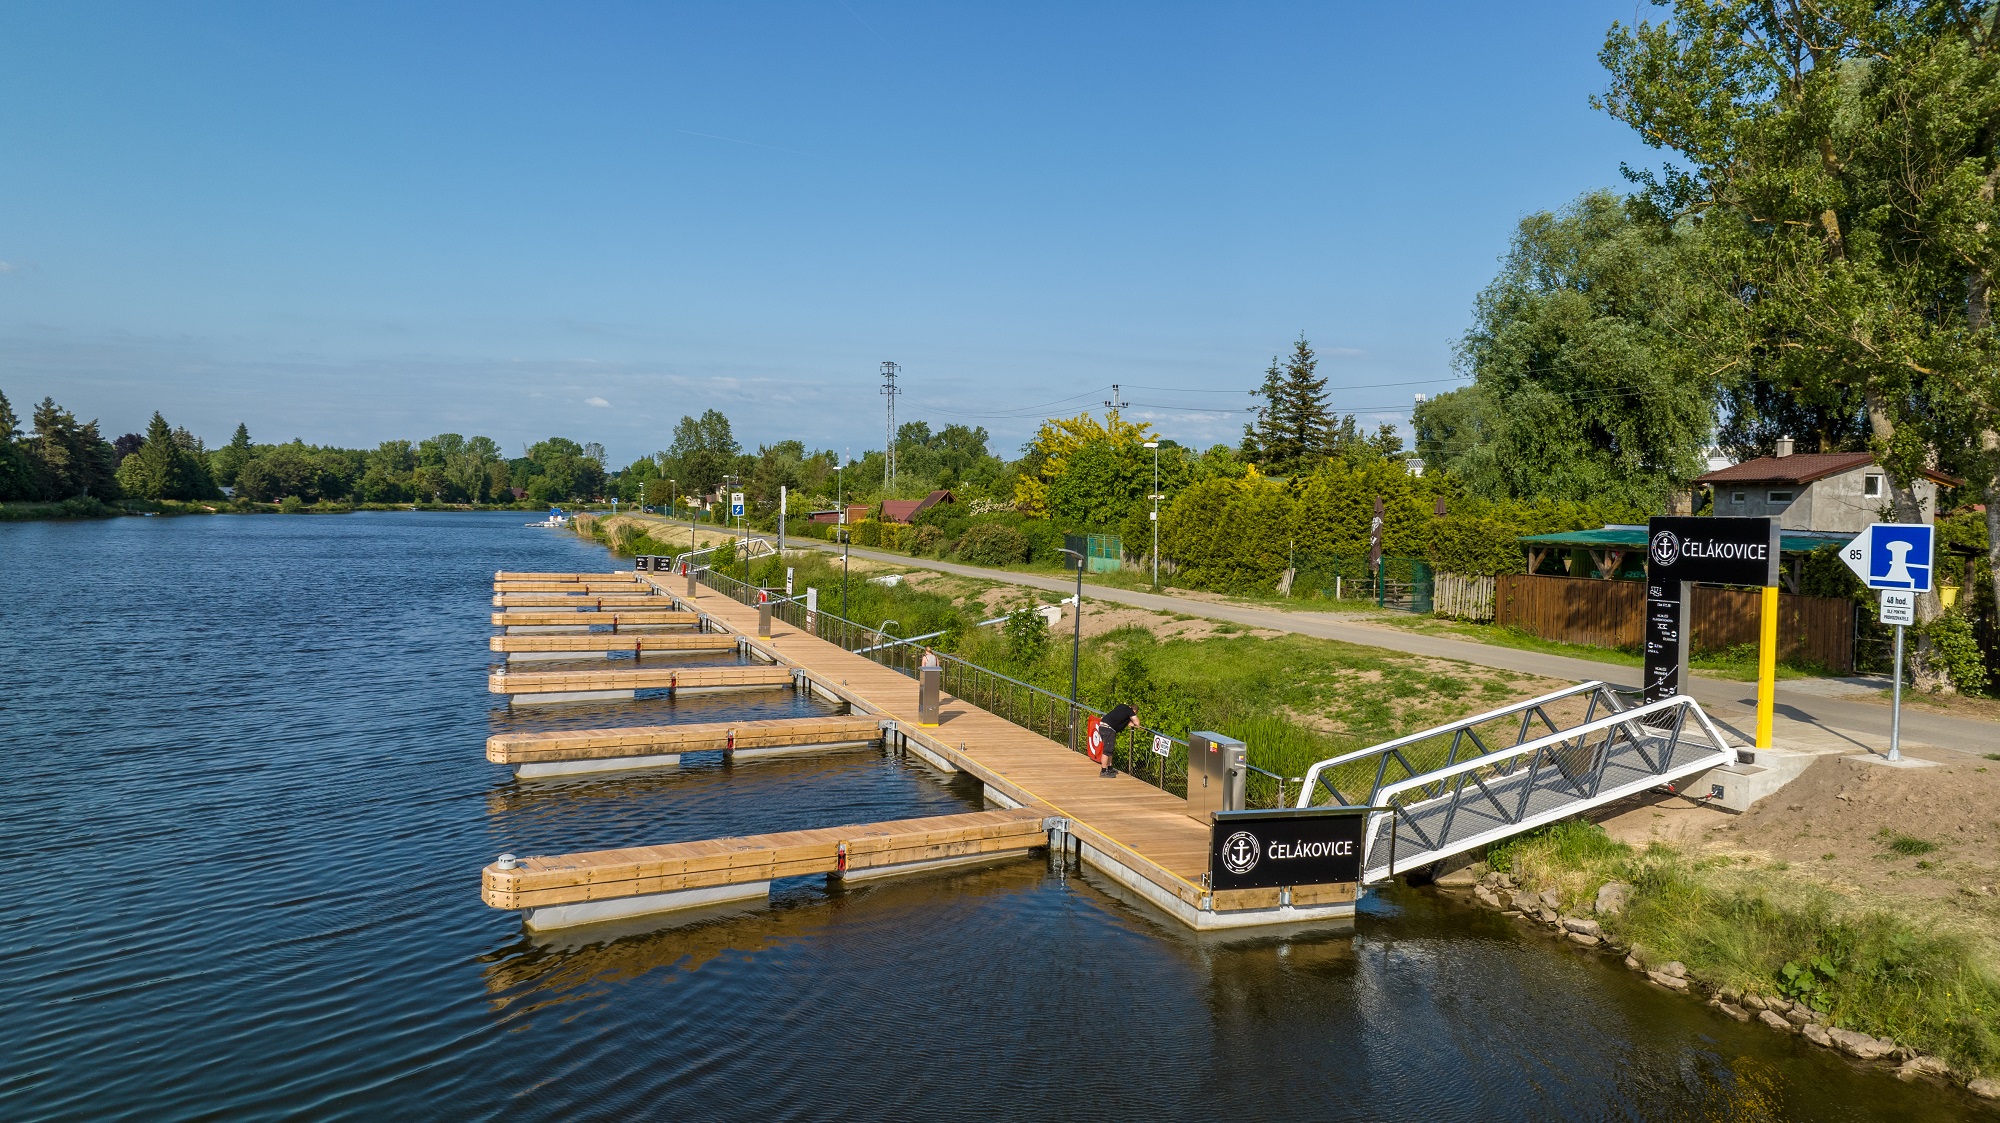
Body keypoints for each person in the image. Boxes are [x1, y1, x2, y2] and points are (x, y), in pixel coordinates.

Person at [1094, 702, 1139, 778]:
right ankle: (1103, 771)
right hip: (1108, 729)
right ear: (1134, 711)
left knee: (1110, 749)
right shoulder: (1130, 710)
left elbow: (1120, 718)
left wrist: (1129, 722)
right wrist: (1133, 719)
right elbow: (1137, 722)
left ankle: (1110, 768)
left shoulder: (1121, 706)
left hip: (1104, 726)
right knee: (1107, 750)